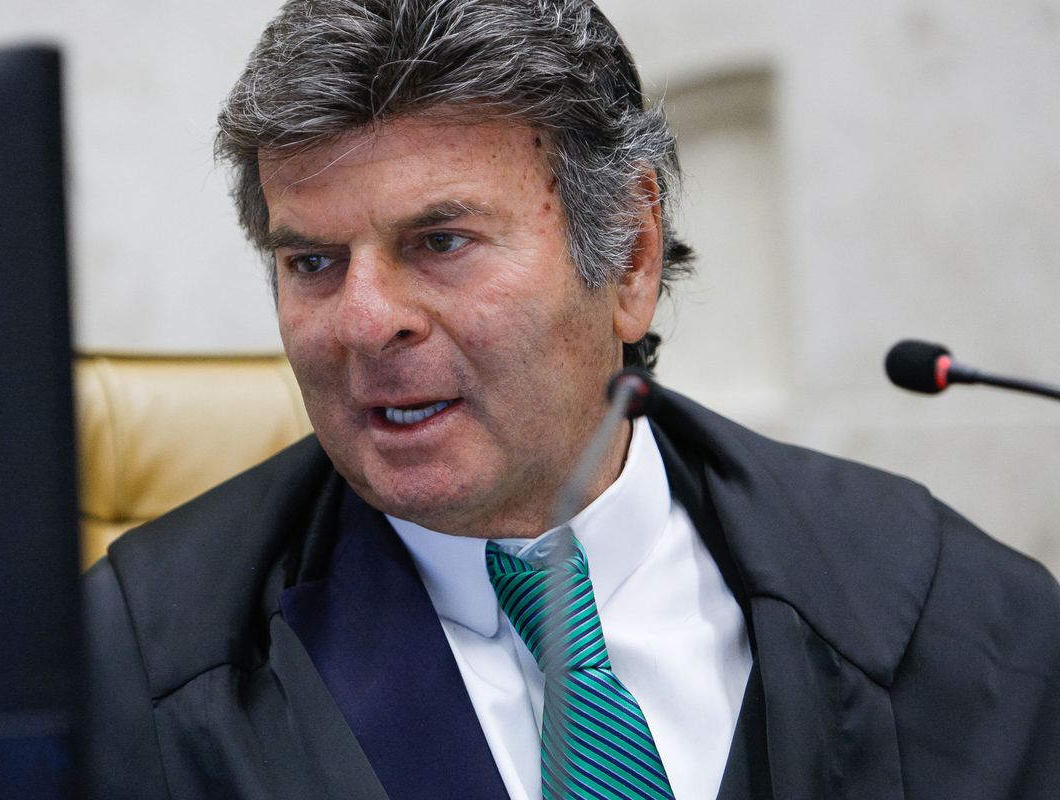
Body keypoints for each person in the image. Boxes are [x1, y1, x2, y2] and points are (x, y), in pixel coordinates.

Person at [83, 1, 1060, 798]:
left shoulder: (954, 617)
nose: (364, 322)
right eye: (313, 262)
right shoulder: (126, 673)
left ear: (631, 255)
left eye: (440, 242)